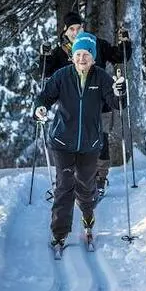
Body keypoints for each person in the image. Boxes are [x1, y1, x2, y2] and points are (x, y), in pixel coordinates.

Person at [34, 32, 126, 249]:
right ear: (72, 56)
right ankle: (59, 233)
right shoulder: (62, 76)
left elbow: (116, 103)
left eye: (86, 54)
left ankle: (87, 215)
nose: (82, 58)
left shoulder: (101, 77)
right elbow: (44, 97)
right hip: (62, 141)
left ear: (93, 58)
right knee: (64, 186)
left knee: (86, 186)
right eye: (78, 54)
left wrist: (120, 93)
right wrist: (40, 109)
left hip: (90, 143)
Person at [39, 12, 132, 195]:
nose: (75, 32)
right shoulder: (60, 51)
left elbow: (119, 57)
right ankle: (71, 181)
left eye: (79, 28)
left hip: (100, 101)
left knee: (100, 139)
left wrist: (125, 43)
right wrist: (45, 57)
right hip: (71, 106)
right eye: (71, 29)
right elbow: (45, 72)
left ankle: (100, 179)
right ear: (65, 31)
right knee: (71, 141)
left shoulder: (97, 44)